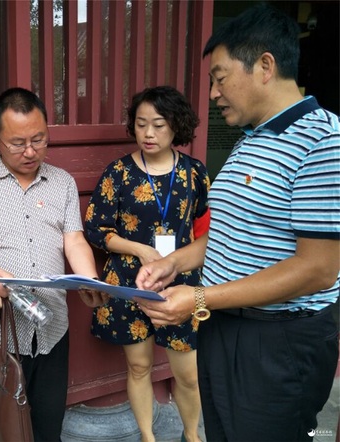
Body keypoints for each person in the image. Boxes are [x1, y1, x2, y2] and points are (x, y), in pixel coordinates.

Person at [135, 4, 340, 442]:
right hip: (224, 324)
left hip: (278, 341)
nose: (212, 93)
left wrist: (199, 297)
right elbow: (231, 233)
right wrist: (175, 263)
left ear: (265, 66)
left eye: (220, 78)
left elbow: (319, 269)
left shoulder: (323, 141)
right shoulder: (251, 139)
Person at [0, 87, 106, 442]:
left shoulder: (62, 182)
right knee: (2, 428)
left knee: (48, 425)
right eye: (18, 143)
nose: (30, 151)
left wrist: (89, 279)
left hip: (52, 325)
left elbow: (74, 239)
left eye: (39, 140)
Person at [85, 86, 210, 442]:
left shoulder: (195, 173)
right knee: (139, 366)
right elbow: (96, 228)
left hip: (181, 284)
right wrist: (139, 249)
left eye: (158, 124)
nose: (148, 133)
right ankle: (147, 435)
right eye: (141, 124)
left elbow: (205, 229)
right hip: (130, 282)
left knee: (188, 374)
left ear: (176, 126)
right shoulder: (118, 173)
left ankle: (192, 435)